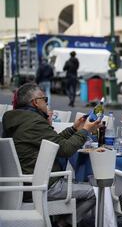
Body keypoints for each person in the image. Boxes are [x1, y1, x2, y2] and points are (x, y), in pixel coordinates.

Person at [2, 82, 101, 226]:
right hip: (41, 186)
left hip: (23, 184)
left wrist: (74, 128)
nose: (47, 103)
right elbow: (65, 149)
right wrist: (85, 130)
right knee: (97, 192)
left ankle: (61, 220)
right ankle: (64, 223)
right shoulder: (35, 122)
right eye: (45, 99)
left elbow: (55, 142)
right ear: (36, 102)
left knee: (80, 186)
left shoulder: (15, 119)